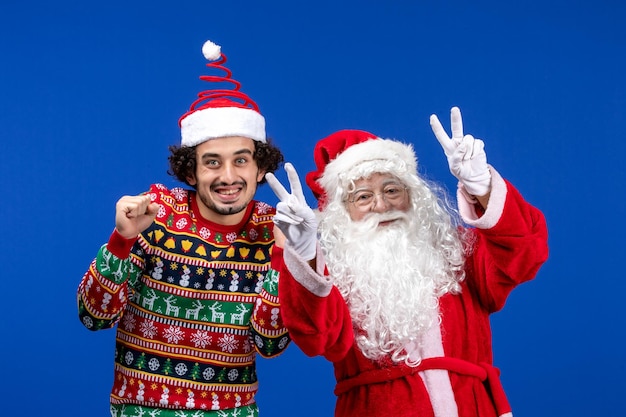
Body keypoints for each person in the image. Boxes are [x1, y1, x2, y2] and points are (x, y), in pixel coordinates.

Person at [265, 107, 549, 417]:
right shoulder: (334, 273)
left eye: (391, 190)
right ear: (341, 212)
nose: (381, 205)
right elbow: (316, 337)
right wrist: (304, 253)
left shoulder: (456, 252)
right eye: (362, 197)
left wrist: (482, 187)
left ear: (413, 195)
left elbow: (526, 254)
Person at [77, 40, 290, 417]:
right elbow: (94, 315)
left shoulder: (274, 231)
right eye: (212, 162)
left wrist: (282, 258)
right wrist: (122, 240)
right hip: (141, 410)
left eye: (241, 160)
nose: (228, 176)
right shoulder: (155, 214)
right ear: (190, 171)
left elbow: (271, 344)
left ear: (260, 168)